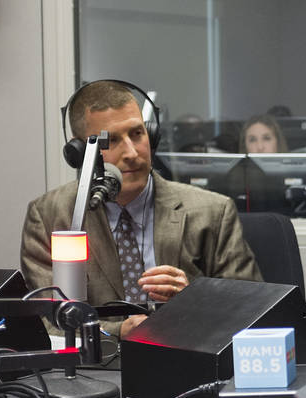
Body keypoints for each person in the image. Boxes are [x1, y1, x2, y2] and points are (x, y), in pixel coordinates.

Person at [21, 80, 262, 337]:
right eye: (110, 141)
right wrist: (120, 332)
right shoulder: (50, 216)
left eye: (137, 134)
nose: (132, 153)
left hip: (186, 362)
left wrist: (195, 299)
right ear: (79, 152)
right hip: (93, 371)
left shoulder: (212, 212)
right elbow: (46, 325)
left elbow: (253, 310)